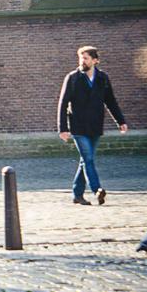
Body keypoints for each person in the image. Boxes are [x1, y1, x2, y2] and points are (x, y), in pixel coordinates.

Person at [57, 45, 128, 205]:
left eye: (86, 58)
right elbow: (63, 103)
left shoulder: (103, 78)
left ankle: (77, 194)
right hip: (78, 126)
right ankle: (97, 189)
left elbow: (110, 101)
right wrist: (63, 128)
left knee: (85, 160)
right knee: (88, 159)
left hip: (96, 126)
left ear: (95, 60)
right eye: (81, 58)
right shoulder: (72, 78)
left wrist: (121, 121)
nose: (82, 61)